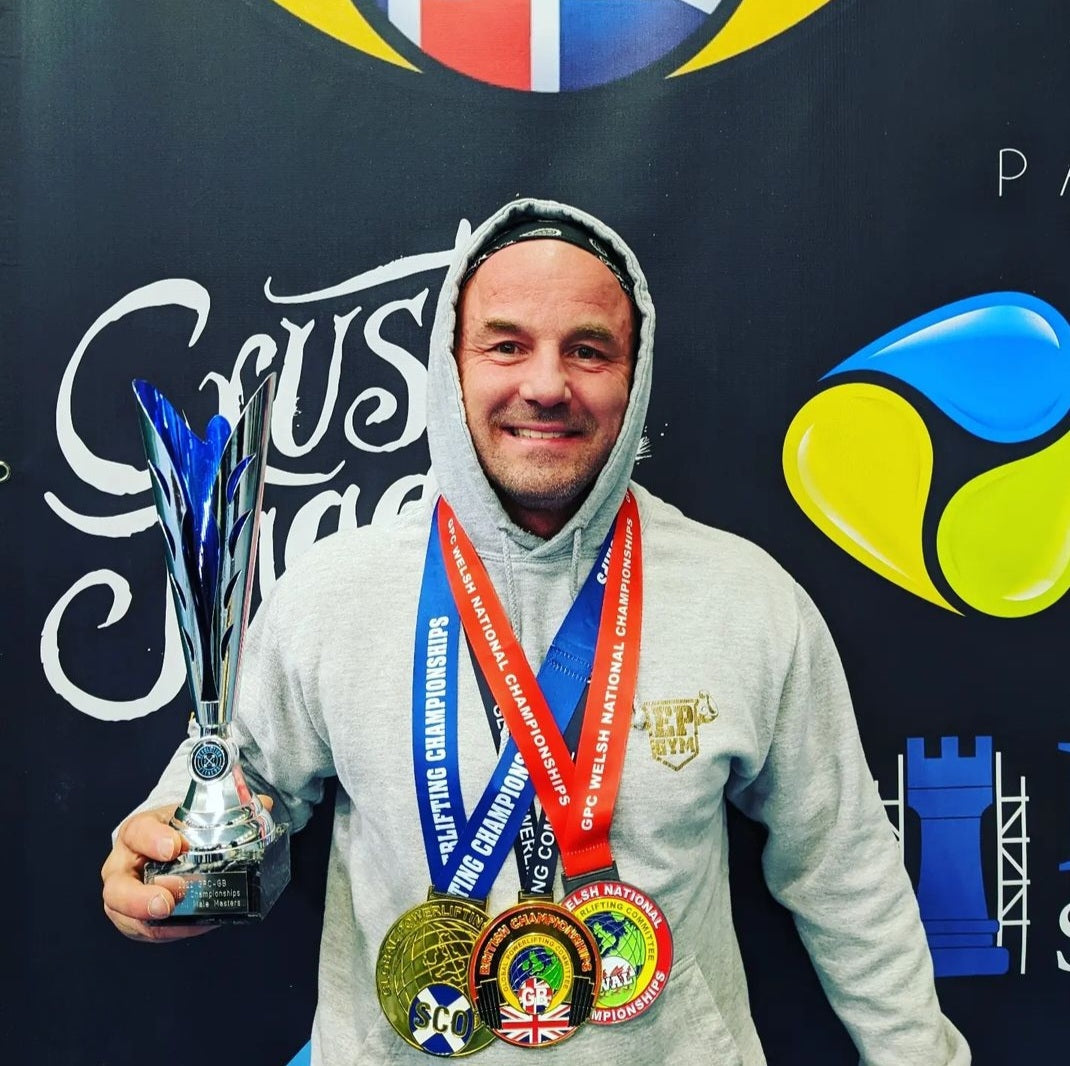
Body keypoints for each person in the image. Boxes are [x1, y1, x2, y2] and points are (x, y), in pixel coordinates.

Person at [102, 198, 969, 1064]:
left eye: (588, 349)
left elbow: (842, 866)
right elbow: (243, 803)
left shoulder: (747, 599)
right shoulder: (333, 592)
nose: (547, 384)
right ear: (451, 365)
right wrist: (168, 866)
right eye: (506, 344)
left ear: (635, 377)